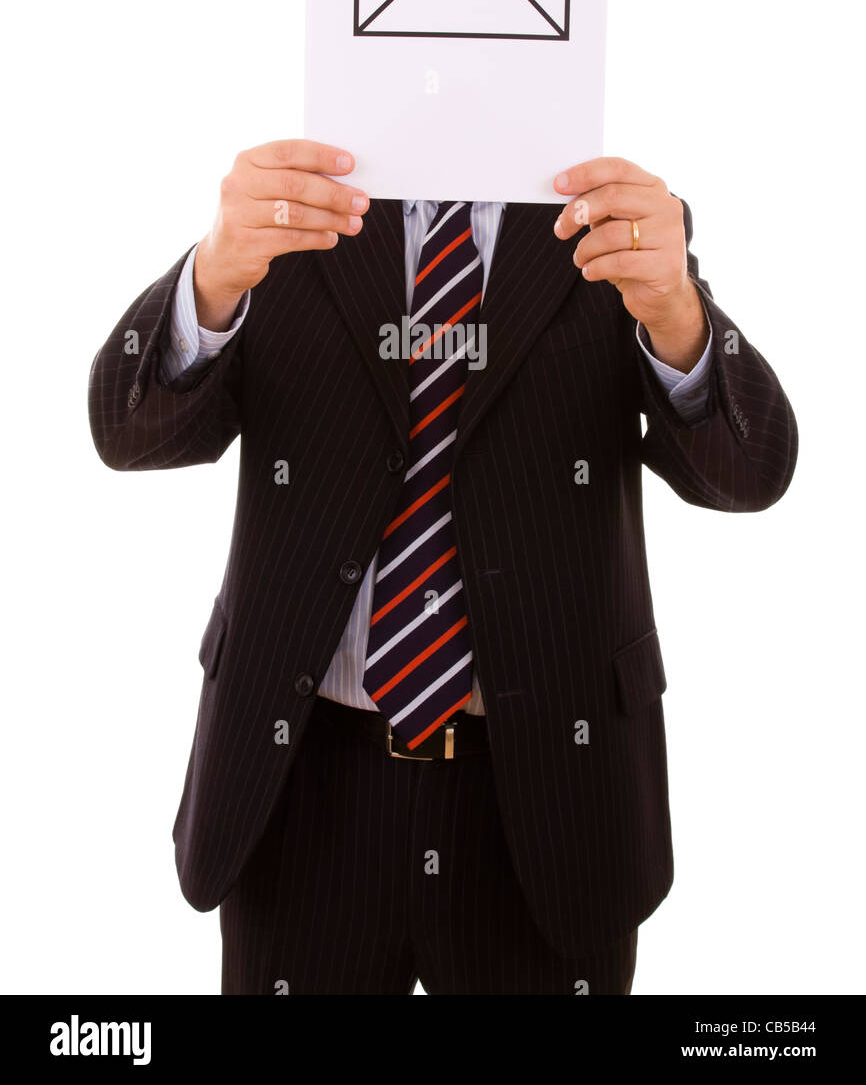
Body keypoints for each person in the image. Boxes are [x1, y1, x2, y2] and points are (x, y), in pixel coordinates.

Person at [88, 141, 797, 995]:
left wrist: (675, 313)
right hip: (302, 791)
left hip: (549, 801)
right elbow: (126, 432)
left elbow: (748, 473)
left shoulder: (611, 223)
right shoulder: (294, 208)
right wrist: (209, 284)